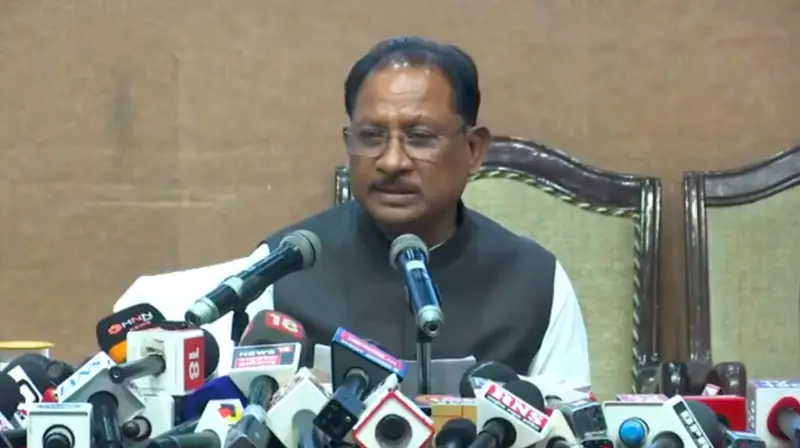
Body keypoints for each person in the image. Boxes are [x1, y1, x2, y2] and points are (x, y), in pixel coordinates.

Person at [113, 36, 591, 390]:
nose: (392, 161)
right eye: (371, 136)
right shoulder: (284, 267)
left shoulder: (536, 282)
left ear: (472, 150)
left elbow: (571, 427)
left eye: (420, 137)